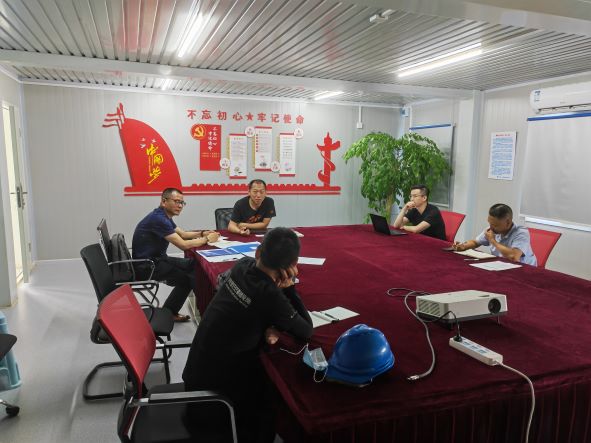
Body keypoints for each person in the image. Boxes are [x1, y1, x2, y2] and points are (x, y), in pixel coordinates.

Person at [182, 227, 313, 443]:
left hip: (196, 375)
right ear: (293, 264)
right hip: (215, 401)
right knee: (271, 399)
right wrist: (290, 288)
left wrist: (269, 323)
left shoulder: (242, 265)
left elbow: (248, 305)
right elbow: (306, 330)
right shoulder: (270, 295)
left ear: (258, 252)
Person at [132, 187, 220, 322]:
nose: (180, 206)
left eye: (182, 202)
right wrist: (207, 239)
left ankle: (202, 306)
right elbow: (183, 244)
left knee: (194, 265)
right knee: (188, 279)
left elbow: (183, 234)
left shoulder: (163, 216)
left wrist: (203, 233)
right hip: (148, 266)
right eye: (176, 201)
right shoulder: (159, 219)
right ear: (164, 201)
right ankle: (204, 313)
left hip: (158, 259)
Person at [452, 203, 537, 266]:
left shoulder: (521, 233)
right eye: (490, 223)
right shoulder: (493, 229)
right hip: (502, 266)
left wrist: (493, 241)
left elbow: (514, 257)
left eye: (495, 225)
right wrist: (463, 246)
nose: (491, 227)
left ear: (508, 222)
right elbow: (475, 242)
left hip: (525, 270)